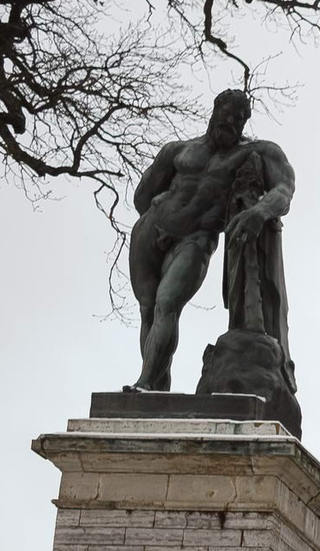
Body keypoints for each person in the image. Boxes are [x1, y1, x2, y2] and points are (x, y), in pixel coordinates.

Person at [125, 89, 297, 392]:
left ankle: (145, 383)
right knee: (148, 309)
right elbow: (142, 195)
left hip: (196, 239)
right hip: (150, 230)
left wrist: (259, 211)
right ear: (214, 112)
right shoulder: (177, 150)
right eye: (226, 113)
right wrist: (162, 205)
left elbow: (284, 190)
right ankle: (154, 386)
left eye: (239, 118)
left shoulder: (256, 152)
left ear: (244, 124)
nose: (230, 121)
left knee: (167, 304)